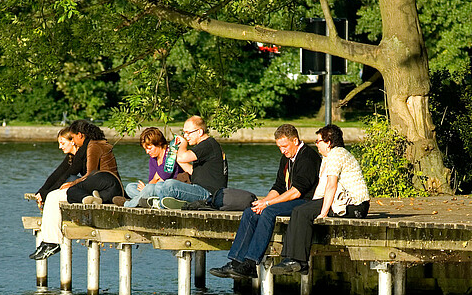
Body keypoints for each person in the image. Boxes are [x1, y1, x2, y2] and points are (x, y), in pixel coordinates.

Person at [209, 124, 321, 280]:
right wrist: (263, 201)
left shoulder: (308, 157)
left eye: (285, 146)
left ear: (295, 140)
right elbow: (279, 186)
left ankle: (251, 263)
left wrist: (268, 205)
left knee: (268, 212)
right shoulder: (287, 158)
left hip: (305, 202)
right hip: (291, 199)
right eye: (279, 147)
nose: (282, 150)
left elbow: (297, 191)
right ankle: (236, 262)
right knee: (251, 212)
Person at [271, 124, 371, 276]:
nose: (316, 144)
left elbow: (331, 186)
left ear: (328, 142)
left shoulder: (338, 154)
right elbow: (322, 188)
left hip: (355, 206)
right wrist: (313, 204)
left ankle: (299, 261)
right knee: (300, 210)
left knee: (302, 212)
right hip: (341, 201)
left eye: (318, 141)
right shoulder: (328, 158)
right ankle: (291, 259)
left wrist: (323, 212)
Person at [30, 121, 122, 260]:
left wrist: (72, 184)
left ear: (80, 135)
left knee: (55, 196)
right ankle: (49, 241)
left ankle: (52, 242)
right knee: (54, 195)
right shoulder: (89, 146)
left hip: (105, 183)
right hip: (100, 186)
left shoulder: (93, 146)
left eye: (72, 138)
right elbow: (58, 173)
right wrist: (42, 191)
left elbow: (90, 174)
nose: (73, 141)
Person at [138, 115, 227, 208]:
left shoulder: (208, 144)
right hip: (197, 189)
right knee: (160, 185)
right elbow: (192, 171)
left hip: (209, 194)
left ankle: (159, 203)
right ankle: (168, 202)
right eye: (184, 133)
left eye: (188, 133)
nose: (185, 136)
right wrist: (175, 154)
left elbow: (182, 157)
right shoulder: (203, 146)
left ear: (200, 132)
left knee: (169, 184)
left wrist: (183, 144)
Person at [118, 127, 182, 207]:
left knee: (150, 188)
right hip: (154, 188)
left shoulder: (170, 154)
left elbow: (164, 177)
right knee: (130, 187)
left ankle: (127, 204)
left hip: (169, 189)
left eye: (149, 148)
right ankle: (149, 200)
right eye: (145, 149)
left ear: (158, 143)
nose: (147, 152)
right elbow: (152, 180)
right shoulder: (153, 159)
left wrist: (150, 185)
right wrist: (147, 187)